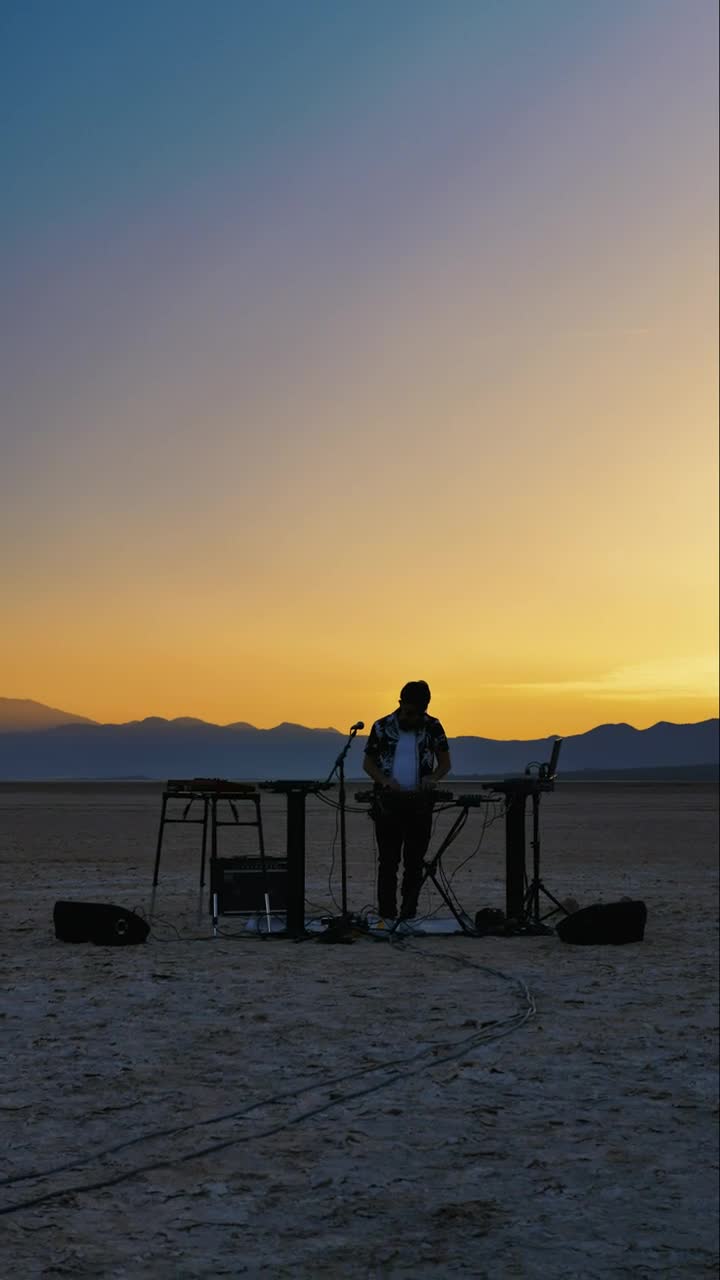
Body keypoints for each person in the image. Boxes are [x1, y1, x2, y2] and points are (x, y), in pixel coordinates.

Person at [362, 680, 452, 920]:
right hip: (388, 804)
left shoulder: (433, 727)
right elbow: (368, 763)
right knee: (388, 862)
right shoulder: (381, 727)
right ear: (400, 704)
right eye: (407, 711)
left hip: (419, 805)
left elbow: (445, 764)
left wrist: (431, 779)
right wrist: (384, 780)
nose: (410, 718)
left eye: (416, 714)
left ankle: (408, 914)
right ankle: (387, 916)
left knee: (414, 863)